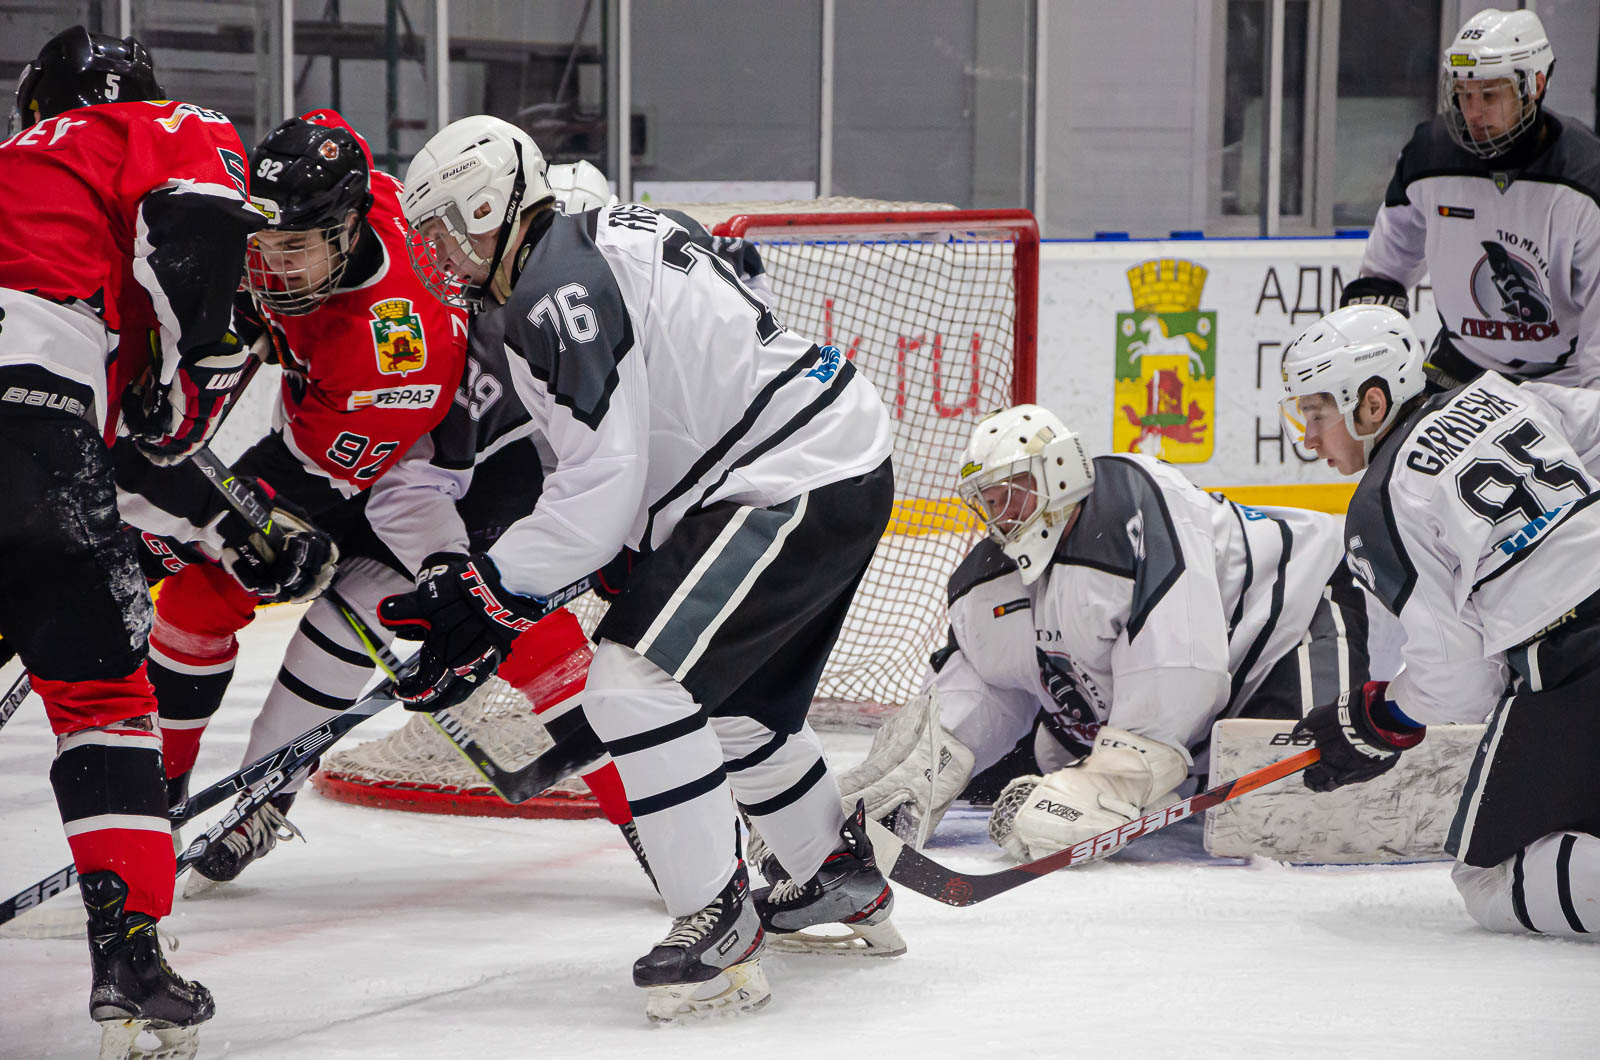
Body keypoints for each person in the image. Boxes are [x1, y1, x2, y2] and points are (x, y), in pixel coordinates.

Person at [380, 114, 903, 1021]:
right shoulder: (592, 251)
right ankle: (834, 877)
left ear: (490, 203)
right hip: (816, 461)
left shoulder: (552, 286)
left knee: (631, 685)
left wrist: (488, 592)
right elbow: (641, 443)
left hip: (787, 475)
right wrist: (560, 577)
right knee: (737, 707)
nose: (439, 255)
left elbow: (602, 480)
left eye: (444, 231)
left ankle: (717, 921)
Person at [111, 109, 467, 892]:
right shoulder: (348, 201)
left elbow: (299, 487)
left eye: (292, 250)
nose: (271, 269)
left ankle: (655, 819)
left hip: (435, 479)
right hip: (340, 437)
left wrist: (182, 516)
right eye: (262, 245)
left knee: (530, 647)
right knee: (196, 605)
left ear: (345, 234)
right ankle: (160, 798)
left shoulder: (393, 345)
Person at [0, 26, 267, 1056]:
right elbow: (196, 221)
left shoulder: (27, 178)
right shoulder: (160, 125)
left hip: (44, 423)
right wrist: (207, 344)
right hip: (34, 431)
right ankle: (132, 965)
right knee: (105, 702)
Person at [840, 403, 1371, 862]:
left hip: (1301, 613)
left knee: (1303, 813)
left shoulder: (1134, 501)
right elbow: (988, 683)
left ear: (1061, 472)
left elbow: (1184, 666)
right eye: (991, 502)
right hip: (1206, 693)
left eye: (1015, 492)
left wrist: (1112, 779)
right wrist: (938, 751)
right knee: (1026, 771)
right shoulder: (988, 585)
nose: (1004, 517)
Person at [1280, 302, 1600, 939]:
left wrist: (1383, 718)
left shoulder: (1383, 503)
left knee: (1486, 878)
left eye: (1316, 413)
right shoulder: (1506, 394)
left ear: (1372, 404)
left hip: (1572, 663)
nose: (1309, 437)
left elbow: (1459, 682)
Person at [1343, 8, 1600, 390]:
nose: (1473, 112)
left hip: (1564, 381)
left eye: (1489, 94)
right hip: (1460, 369)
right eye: (1463, 93)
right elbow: (1383, 274)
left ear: (1536, 84)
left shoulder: (1586, 176)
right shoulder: (1428, 157)